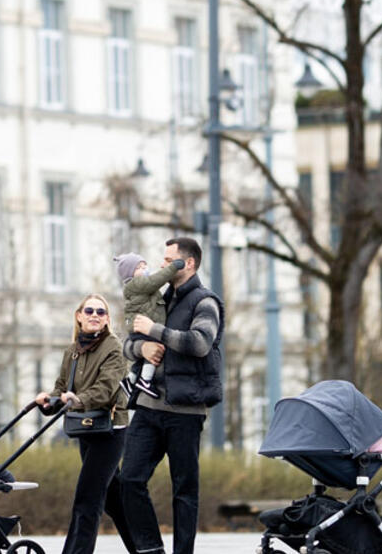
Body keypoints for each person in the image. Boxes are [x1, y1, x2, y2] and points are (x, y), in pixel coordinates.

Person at [119, 237, 224, 554]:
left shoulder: (205, 302)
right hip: (148, 407)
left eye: (168, 260)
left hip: (186, 412)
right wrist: (142, 347)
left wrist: (155, 331)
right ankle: (151, 549)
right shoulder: (158, 299)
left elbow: (200, 343)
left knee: (184, 491)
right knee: (128, 480)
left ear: (188, 263)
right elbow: (128, 344)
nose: (162, 265)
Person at [34, 293, 136, 554]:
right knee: (114, 500)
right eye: (89, 311)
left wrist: (77, 399)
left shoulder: (114, 348)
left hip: (110, 431)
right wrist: (48, 401)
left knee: (87, 498)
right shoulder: (72, 352)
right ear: (79, 316)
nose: (94, 316)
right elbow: (62, 387)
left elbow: (106, 389)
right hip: (86, 427)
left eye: (100, 312)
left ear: (107, 319)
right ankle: (146, 549)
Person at [112, 252, 185, 398]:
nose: (145, 269)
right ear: (130, 274)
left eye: (145, 265)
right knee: (153, 351)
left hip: (140, 326)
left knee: (142, 358)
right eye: (139, 267)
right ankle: (146, 380)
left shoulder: (138, 287)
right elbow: (156, 280)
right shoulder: (137, 283)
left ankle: (130, 380)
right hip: (143, 327)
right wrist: (173, 267)